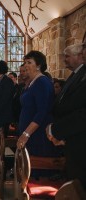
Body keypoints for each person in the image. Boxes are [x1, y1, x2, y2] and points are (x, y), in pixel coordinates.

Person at [46, 43, 86, 188]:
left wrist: (57, 129)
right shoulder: (76, 74)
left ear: (79, 56)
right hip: (71, 137)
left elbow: (80, 111)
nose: (65, 59)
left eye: (67, 56)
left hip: (78, 139)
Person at [16, 50, 61, 156]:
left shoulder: (42, 82)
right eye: (25, 62)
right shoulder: (32, 82)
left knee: (35, 166)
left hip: (37, 134)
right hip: (29, 132)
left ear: (38, 65)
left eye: (29, 62)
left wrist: (26, 134)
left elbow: (42, 112)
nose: (25, 65)